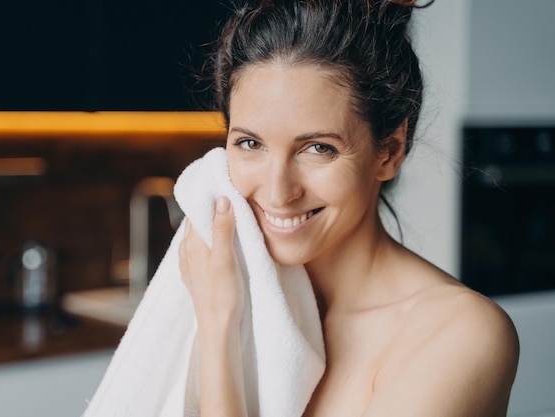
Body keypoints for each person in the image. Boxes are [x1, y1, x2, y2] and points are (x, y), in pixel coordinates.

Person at [178, 0, 520, 416]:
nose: (278, 190)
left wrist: (219, 332)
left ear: (388, 152)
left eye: (318, 148)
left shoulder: (460, 335)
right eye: (251, 143)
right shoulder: (231, 287)